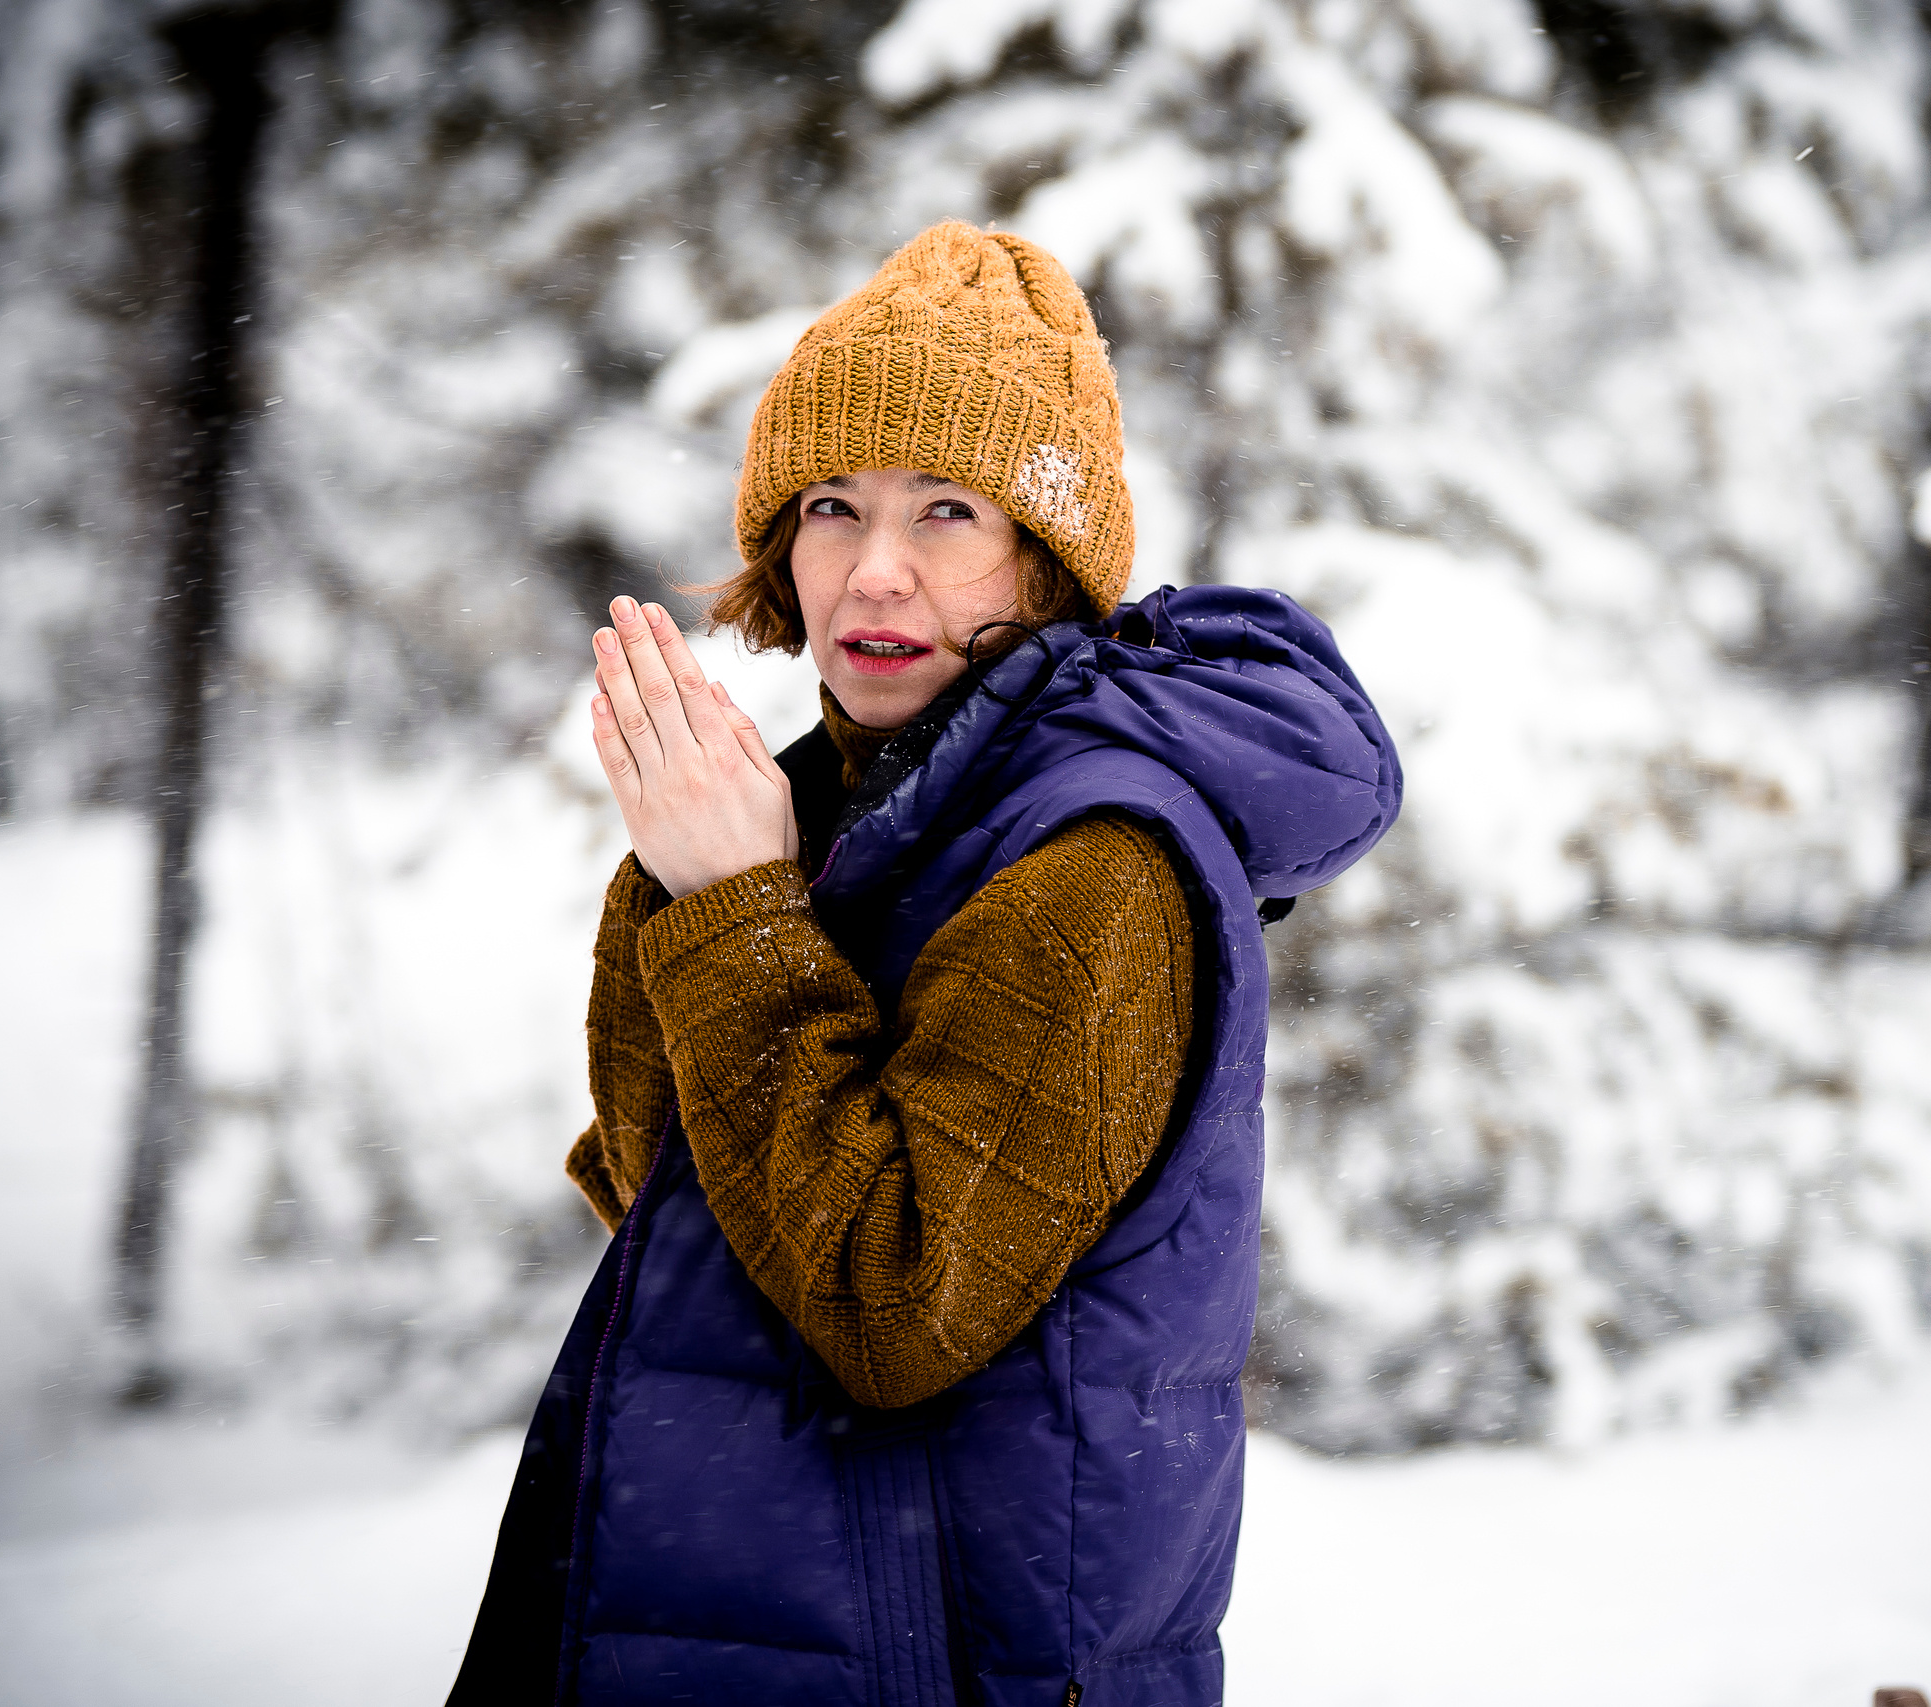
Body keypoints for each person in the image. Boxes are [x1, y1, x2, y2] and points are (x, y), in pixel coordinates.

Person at [448, 221, 1400, 1707]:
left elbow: (892, 1307)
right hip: (767, 1621)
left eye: (948, 510)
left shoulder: (1090, 867)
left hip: (944, 1663)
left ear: (1048, 552)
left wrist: (736, 914)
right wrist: (694, 880)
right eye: (833, 505)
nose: (874, 571)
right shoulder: (847, 805)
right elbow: (673, 1199)